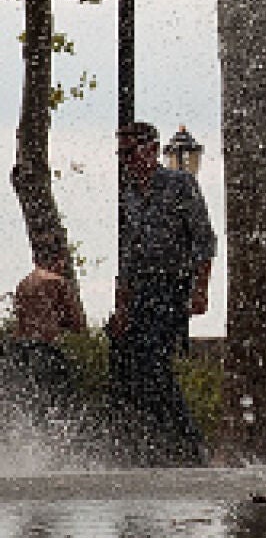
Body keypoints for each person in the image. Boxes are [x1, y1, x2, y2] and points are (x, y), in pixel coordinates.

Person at [108, 121, 217, 466]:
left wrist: (200, 291)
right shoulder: (127, 192)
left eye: (130, 152)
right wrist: (121, 308)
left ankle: (190, 445)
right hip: (140, 289)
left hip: (172, 287)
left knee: (156, 363)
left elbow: (204, 240)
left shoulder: (180, 184)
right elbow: (127, 255)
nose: (125, 160)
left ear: (151, 149)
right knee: (127, 364)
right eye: (120, 154)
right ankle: (149, 443)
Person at [6, 258, 88, 419]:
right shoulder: (57, 281)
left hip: (18, 349)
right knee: (60, 405)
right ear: (58, 260)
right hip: (44, 349)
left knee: (25, 404)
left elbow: (21, 319)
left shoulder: (23, 284)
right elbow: (79, 324)